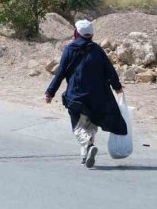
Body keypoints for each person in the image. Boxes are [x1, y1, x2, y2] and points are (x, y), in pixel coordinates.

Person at [45, 19, 127, 168]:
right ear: (91, 34)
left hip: (76, 96)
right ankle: (85, 156)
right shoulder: (98, 50)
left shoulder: (70, 49)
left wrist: (50, 92)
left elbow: (60, 73)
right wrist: (118, 87)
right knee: (90, 124)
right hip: (98, 97)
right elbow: (110, 70)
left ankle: (88, 146)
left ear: (76, 33)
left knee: (78, 127)